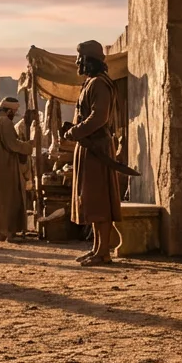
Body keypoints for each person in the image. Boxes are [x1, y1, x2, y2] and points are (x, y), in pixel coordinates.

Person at [63, 41, 123, 266]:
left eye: (81, 60)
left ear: (90, 61)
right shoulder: (90, 83)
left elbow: (99, 117)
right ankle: (97, 248)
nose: (78, 64)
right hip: (88, 148)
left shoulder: (99, 84)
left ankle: (103, 253)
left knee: (100, 202)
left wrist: (75, 131)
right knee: (91, 200)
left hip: (97, 148)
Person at [0, 97, 32, 242]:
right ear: (9, 110)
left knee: (0, 200)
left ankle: (0, 232)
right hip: (6, 167)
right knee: (10, 199)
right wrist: (29, 145)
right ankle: (9, 232)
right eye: (14, 112)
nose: (14, 115)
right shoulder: (4, 122)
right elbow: (13, 144)